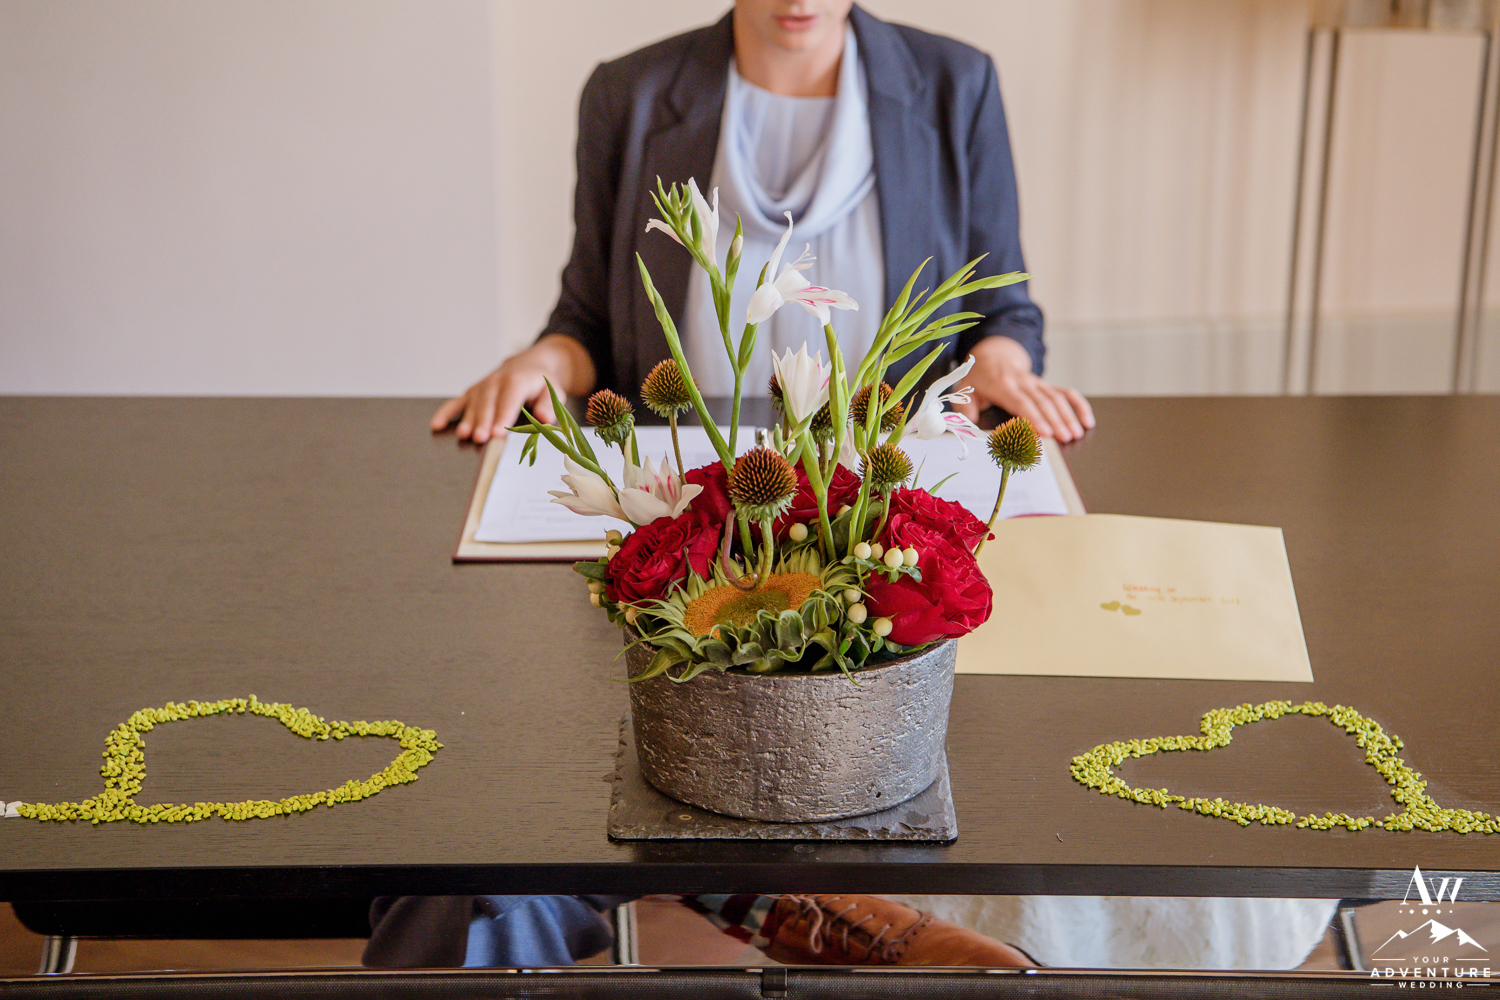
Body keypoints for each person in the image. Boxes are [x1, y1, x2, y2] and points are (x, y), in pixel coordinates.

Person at [430, 0, 1094, 446]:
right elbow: (588, 323)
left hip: (894, 504)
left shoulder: (957, 86)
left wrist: (999, 365)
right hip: (686, 508)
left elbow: (1002, 311)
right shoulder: (628, 96)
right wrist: (540, 361)